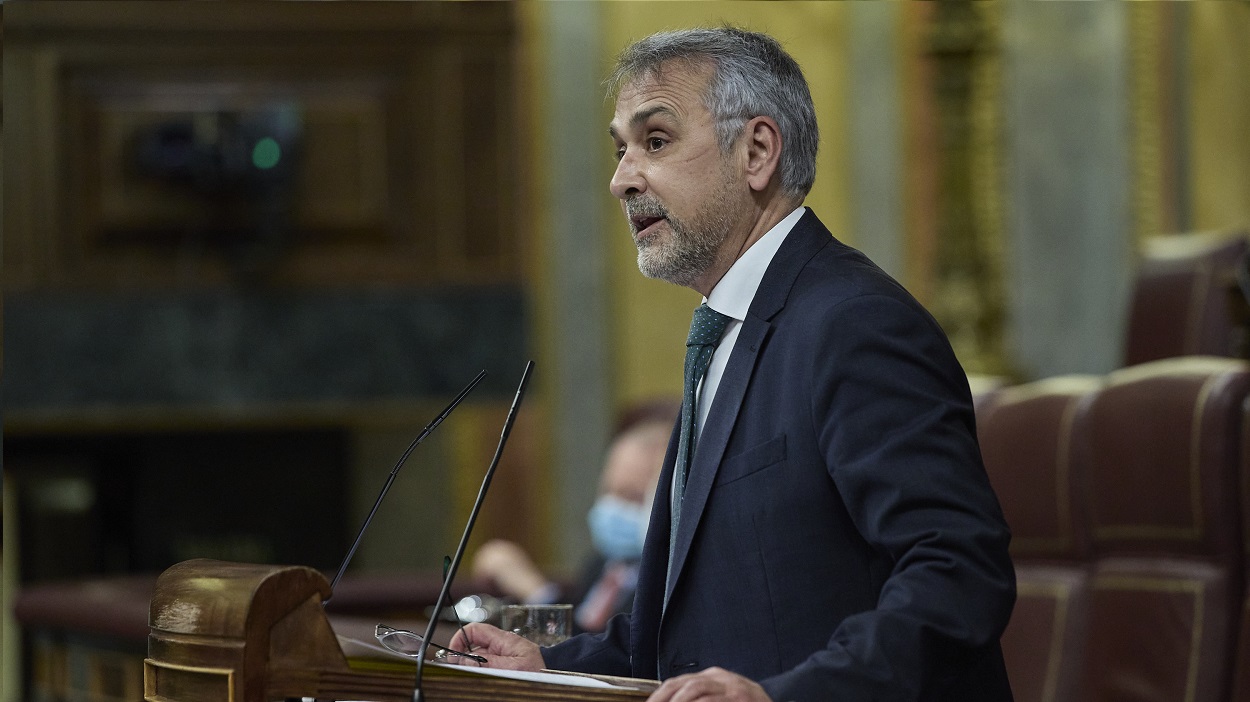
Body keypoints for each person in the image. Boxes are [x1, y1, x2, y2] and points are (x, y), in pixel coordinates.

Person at [450, 27, 1016, 701]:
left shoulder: (855, 324)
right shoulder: (726, 334)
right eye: (620, 149)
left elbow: (958, 574)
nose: (621, 179)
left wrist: (781, 697)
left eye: (654, 141)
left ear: (756, 151)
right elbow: (691, 635)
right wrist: (552, 664)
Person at [470, 401, 677, 634]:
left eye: (631, 497)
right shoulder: (600, 564)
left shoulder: (666, 581)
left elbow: (594, 652)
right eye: (608, 491)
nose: (614, 507)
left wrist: (534, 590)